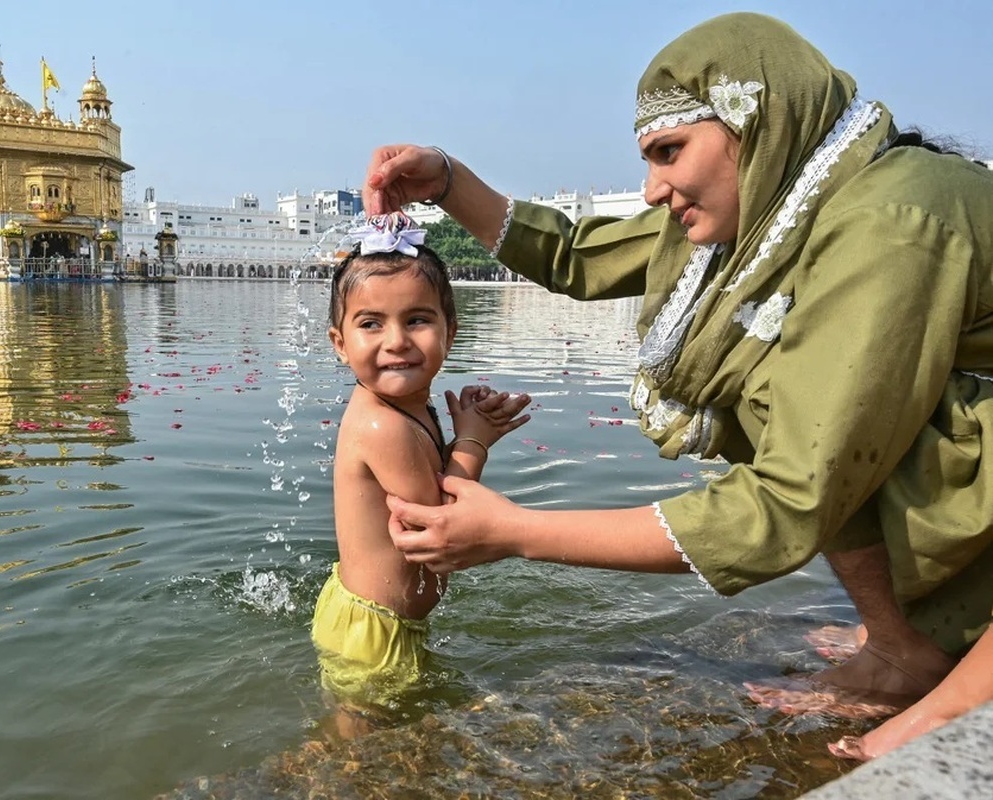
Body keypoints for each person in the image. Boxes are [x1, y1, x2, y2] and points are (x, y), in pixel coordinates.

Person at [361, 12, 993, 763]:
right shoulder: (781, 209)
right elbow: (577, 257)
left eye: (668, 152)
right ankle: (901, 646)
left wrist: (519, 533)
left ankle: (961, 692)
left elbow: (793, 497)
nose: (653, 189)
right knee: (788, 389)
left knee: (809, 409)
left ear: (755, 121)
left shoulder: (890, 220)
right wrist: (448, 180)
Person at [311, 213, 531, 734]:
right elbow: (444, 527)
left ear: (449, 332)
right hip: (372, 635)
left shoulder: (409, 406)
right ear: (339, 343)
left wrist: (463, 434)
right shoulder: (383, 425)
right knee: (360, 754)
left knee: (390, 748)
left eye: (417, 320)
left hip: (377, 620)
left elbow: (430, 482)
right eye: (371, 323)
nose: (397, 341)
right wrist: (475, 440)